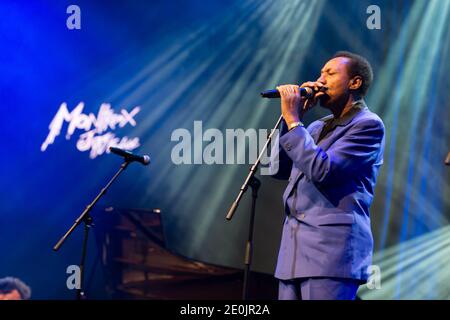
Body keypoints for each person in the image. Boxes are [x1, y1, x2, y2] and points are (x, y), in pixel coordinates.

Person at [270, 51, 385, 300]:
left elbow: (324, 170)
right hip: (293, 254)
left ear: (354, 82)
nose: (320, 80)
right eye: (320, 73)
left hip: (331, 254)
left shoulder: (368, 125)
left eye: (330, 73)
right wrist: (292, 120)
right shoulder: (314, 127)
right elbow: (279, 169)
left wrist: (293, 121)